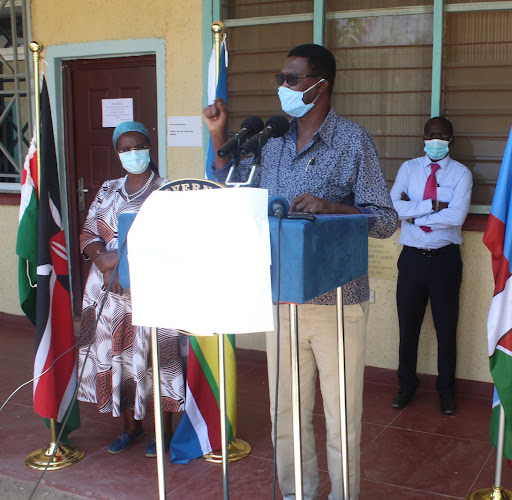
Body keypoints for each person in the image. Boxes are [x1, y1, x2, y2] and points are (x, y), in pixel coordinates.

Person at [203, 44, 397, 500]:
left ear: (320, 84)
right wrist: (219, 136)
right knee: (286, 413)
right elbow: (230, 186)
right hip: (282, 297)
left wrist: (332, 208)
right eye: (280, 77)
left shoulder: (353, 141)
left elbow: (386, 221)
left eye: (291, 79)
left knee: (341, 417)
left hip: (338, 302)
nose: (282, 87)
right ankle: (297, 494)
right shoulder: (271, 141)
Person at [77, 121, 187, 457]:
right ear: (117, 152)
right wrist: (103, 258)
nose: (132, 153)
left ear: (149, 148)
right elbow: (87, 233)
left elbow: (176, 240)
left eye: (138, 146)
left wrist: (124, 257)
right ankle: (129, 428)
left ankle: (161, 434)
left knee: (156, 360)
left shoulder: (168, 190)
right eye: (125, 148)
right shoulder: (109, 189)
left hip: (154, 292)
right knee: (118, 358)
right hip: (110, 296)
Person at [389, 117, 472, 414]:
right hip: (411, 259)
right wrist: (430, 206)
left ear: (451, 139)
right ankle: (406, 385)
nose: (435, 140)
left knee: (446, 328)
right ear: (423, 138)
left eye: (441, 135)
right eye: (430, 134)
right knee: (407, 326)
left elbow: (456, 217)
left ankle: (446, 390)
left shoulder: (461, 174)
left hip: (445, 261)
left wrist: (414, 214)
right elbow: (394, 205)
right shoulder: (409, 169)